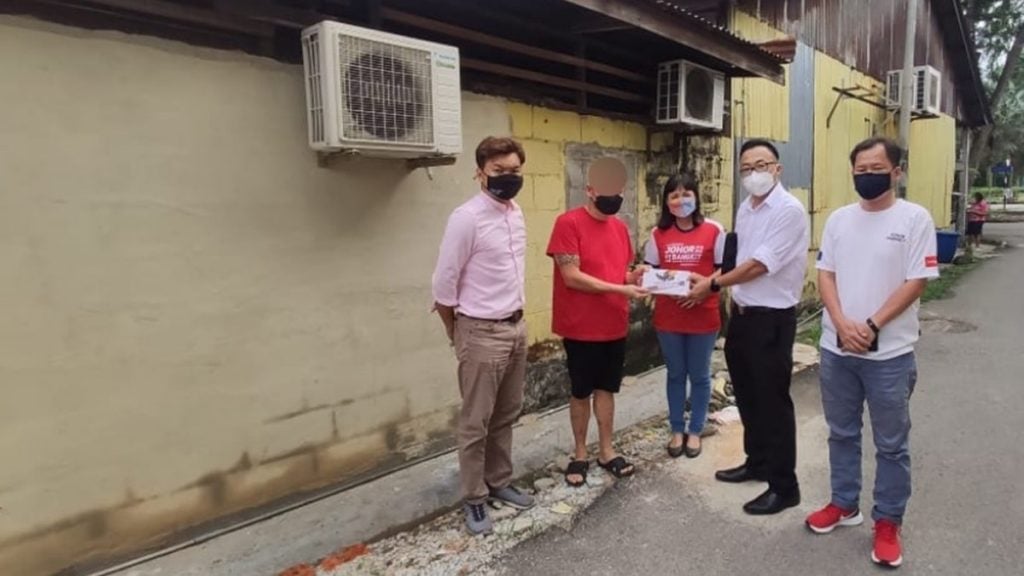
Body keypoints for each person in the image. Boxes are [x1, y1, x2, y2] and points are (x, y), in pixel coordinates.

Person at [805, 137, 939, 569]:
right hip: (837, 349)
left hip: (890, 356)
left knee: (891, 444)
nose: (867, 176)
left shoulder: (915, 218)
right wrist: (841, 323)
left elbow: (916, 280)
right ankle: (844, 503)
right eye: (860, 170)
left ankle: (888, 521)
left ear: (897, 172)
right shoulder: (839, 220)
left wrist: (872, 325)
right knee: (841, 432)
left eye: (877, 169)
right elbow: (826, 274)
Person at [688, 139, 810, 515]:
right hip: (742, 315)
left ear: (777, 169)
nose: (754, 173)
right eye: (746, 167)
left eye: (761, 165)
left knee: (773, 402)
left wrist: (712, 284)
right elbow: (737, 258)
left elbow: (759, 265)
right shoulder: (746, 207)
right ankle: (757, 462)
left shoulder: (789, 211)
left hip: (772, 320)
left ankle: (784, 487)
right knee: (747, 395)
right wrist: (714, 279)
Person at [431, 136, 534, 535]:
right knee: (476, 421)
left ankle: (499, 481)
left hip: (516, 327)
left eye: (514, 171)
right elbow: (444, 285)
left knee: (507, 412)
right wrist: (457, 333)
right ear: (480, 172)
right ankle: (474, 497)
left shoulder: (516, 212)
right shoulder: (466, 218)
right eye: (498, 171)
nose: (508, 177)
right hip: (480, 331)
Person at [546, 157, 648, 487]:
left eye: (618, 190)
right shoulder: (568, 223)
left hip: (613, 323)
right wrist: (621, 288)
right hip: (580, 325)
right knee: (581, 391)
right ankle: (580, 453)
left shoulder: (620, 228)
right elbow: (572, 276)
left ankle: (606, 450)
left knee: (607, 389)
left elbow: (618, 273)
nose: (613, 196)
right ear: (589, 190)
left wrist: (635, 276)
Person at [643, 173, 726, 459]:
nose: (681, 200)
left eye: (686, 194)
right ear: (666, 202)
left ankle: (696, 430)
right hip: (669, 317)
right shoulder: (657, 234)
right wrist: (650, 278)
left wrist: (703, 287)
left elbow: (725, 270)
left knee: (700, 375)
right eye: (674, 195)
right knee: (676, 374)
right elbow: (649, 271)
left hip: (704, 315)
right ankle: (677, 429)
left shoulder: (714, 230)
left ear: (696, 197)